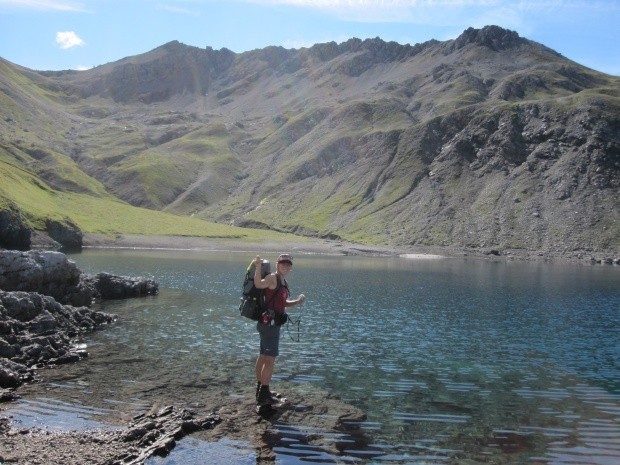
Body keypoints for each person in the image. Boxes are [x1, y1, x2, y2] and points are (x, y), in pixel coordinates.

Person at [253, 253, 305, 406]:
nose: (285, 266)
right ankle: (264, 394)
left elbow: (283, 303)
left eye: (288, 264)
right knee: (270, 359)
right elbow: (258, 284)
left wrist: (297, 301)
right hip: (269, 325)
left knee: (263, 356)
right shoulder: (273, 277)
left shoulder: (283, 281)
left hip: (269, 324)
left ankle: (261, 388)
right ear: (277, 264)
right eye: (283, 263)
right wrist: (257, 267)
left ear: (291, 267)